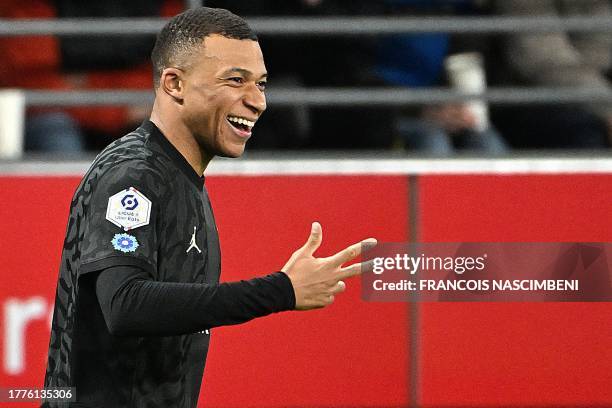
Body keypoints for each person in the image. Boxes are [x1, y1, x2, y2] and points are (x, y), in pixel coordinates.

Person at [42, 7, 375, 408]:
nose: (257, 102)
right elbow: (124, 305)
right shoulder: (134, 175)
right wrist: (280, 290)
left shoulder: (181, 177)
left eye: (261, 84)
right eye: (236, 80)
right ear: (174, 83)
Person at [490, 0, 612, 149]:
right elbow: (546, 62)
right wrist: (607, 109)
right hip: (534, 99)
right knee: (585, 130)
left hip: (595, 92)